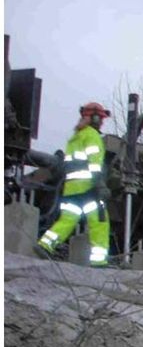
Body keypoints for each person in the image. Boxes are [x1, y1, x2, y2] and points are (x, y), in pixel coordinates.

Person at [37, 102, 112, 264]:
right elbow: (94, 164)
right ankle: (99, 262)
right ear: (95, 117)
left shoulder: (75, 138)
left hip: (71, 189)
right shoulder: (92, 135)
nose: (102, 122)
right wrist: (100, 185)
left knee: (67, 220)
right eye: (101, 118)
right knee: (99, 222)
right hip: (89, 188)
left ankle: (45, 244)